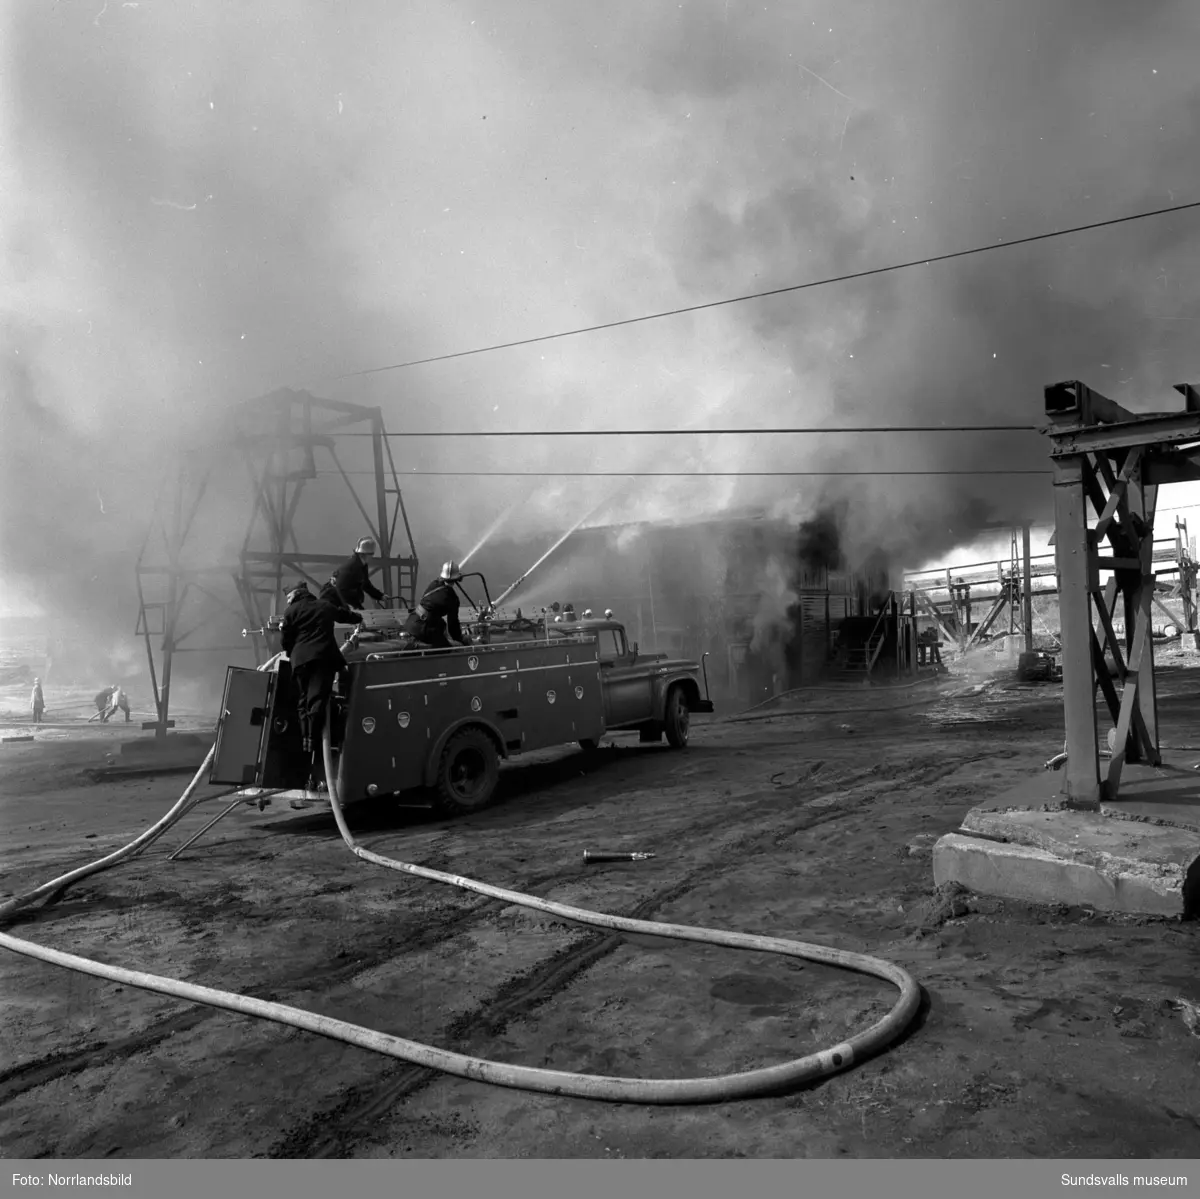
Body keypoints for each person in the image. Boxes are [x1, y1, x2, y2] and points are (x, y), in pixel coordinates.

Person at [278, 582, 363, 773]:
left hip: (300, 662)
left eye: (289, 597)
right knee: (317, 699)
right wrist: (359, 618)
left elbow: (285, 640)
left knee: (303, 701)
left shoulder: (290, 612)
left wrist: (293, 652)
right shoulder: (324, 606)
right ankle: (315, 739)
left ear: (294, 595)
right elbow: (344, 615)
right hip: (323, 660)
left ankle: (305, 739)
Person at [403, 561, 466, 649]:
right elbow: (453, 626)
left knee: (440, 625)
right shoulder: (452, 598)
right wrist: (461, 639)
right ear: (457, 579)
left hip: (412, 622)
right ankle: (418, 648)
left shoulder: (434, 584)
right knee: (445, 648)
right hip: (423, 628)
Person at [323, 537, 388, 611]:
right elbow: (340, 588)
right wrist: (352, 607)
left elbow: (365, 584)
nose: (372, 557)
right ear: (366, 554)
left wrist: (380, 596)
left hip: (343, 599)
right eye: (372, 554)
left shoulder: (362, 565)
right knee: (358, 618)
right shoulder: (352, 567)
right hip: (336, 601)